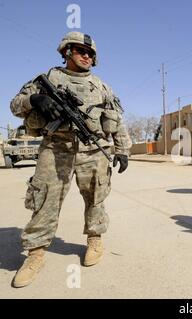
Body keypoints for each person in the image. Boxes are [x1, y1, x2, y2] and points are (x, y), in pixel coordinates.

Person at [9, 32, 132, 288]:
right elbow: (15, 105)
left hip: (92, 150)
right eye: (80, 51)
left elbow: (117, 120)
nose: (87, 56)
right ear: (66, 52)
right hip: (55, 148)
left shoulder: (101, 86)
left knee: (96, 196)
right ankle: (35, 254)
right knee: (44, 201)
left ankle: (95, 239)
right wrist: (35, 99)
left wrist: (123, 149)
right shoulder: (48, 79)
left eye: (90, 53)